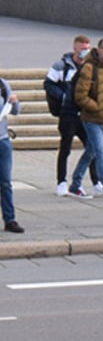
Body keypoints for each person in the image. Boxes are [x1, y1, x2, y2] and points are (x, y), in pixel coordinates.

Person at [44, 34, 102, 197]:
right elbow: (48, 84)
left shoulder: (91, 67)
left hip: (85, 114)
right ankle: (61, 182)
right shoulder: (62, 65)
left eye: (88, 48)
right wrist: (63, 97)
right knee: (65, 148)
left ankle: (96, 181)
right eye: (83, 48)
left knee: (92, 148)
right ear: (75, 48)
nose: (86, 51)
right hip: (68, 114)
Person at [68, 37, 103, 202]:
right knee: (101, 153)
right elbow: (80, 95)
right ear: (98, 50)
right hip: (92, 119)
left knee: (90, 152)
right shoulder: (89, 68)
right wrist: (96, 107)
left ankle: (75, 185)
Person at [0, 77, 23, 233]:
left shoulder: (2, 84)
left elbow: (15, 111)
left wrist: (14, 102)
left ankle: (10, 220)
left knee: (6, 182)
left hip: (3, 141)